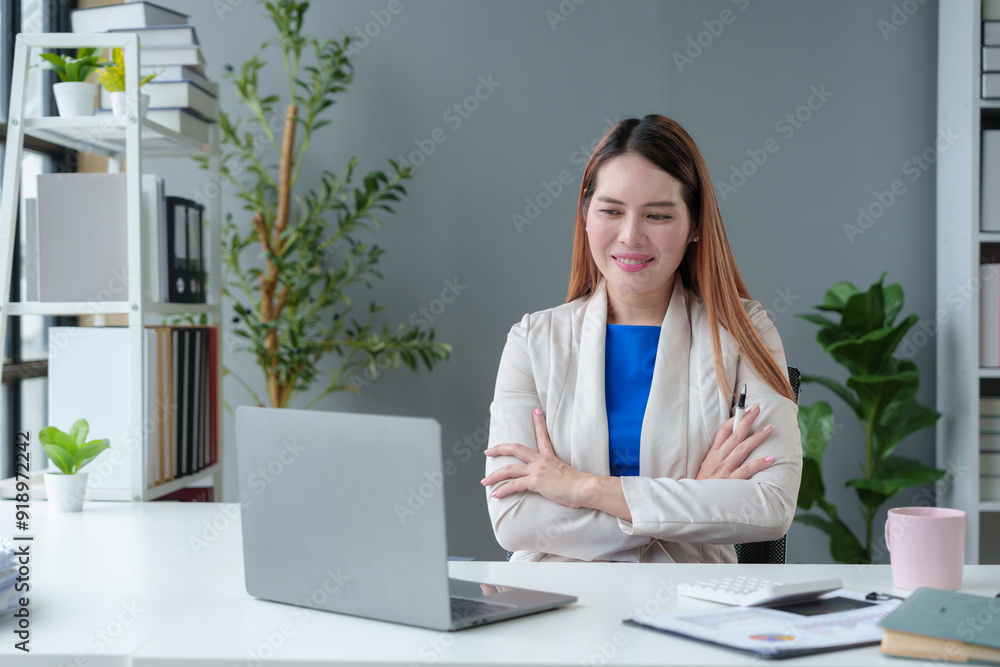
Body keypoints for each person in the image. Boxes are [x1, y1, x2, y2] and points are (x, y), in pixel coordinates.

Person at [481, 115, 802, 563]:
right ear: (586, 217)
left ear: (694, 225)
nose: (631, 236)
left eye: (658, 215)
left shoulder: (744, 331)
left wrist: (583, 488)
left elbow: (769, 507)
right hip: (557, 604)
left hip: (690, 604)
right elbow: (515, 520)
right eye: (611, 211)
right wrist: (695, 501)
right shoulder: (533, 339)